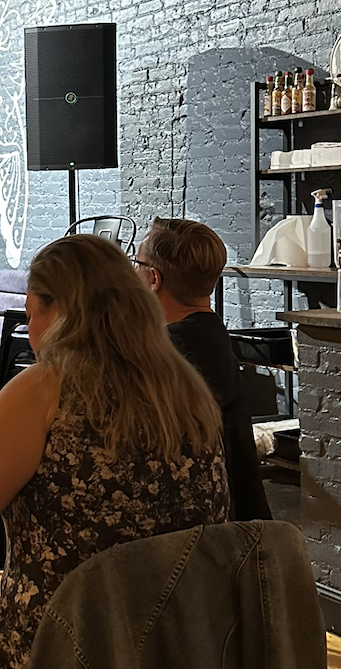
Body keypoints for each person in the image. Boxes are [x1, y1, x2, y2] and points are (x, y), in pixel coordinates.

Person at [0, 235, 229, 669]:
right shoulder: (187, 389)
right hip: (181, 645)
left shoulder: (51, 385)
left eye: (30, 315)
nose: (29, 332)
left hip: (66, 648)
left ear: (60, 310)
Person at [134, 217, 272, 521]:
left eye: (137, 263)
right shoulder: (209, 334)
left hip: (196, 532)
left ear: (154, 279)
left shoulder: (171, 350)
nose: (133, 272)